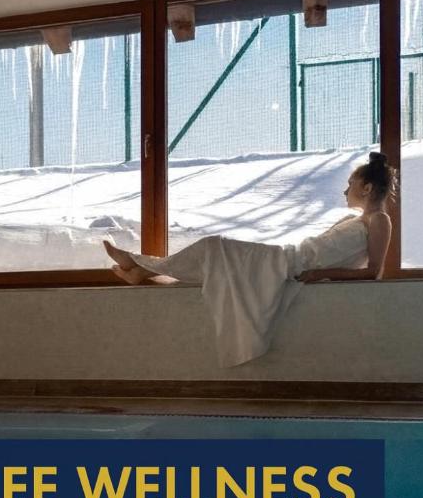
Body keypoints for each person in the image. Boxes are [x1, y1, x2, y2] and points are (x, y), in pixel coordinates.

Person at [103, 151, 396, 367]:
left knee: (213, 249)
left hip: (290, 265)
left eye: (351, 183)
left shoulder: (379, 220)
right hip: (286, 258)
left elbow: (374, 272)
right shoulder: (354, 218)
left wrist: (322, 275)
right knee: (214, 255)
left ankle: (138, 264)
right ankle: (141, 269)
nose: (346, 190)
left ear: (367, 188)